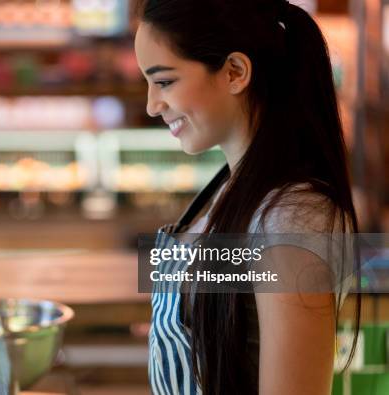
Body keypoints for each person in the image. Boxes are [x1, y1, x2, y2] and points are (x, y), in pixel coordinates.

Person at [134, 0, 360, 394]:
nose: (152, 105)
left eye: (165, 81)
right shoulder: (230, 188)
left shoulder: (291, 219)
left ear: (235, 72)